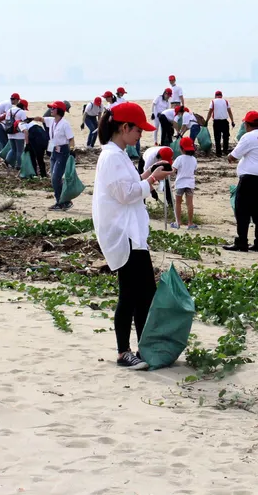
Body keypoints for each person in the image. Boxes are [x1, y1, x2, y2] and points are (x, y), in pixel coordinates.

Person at [92, 101, 168, 370]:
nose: (140, 135)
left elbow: (130, 184)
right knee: (130, 294)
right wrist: (150, 181)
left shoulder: (119, 153)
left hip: (133, 234)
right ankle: (124, 351)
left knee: (146, 293)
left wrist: (150, 174)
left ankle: (143, 347)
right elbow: (125, 194)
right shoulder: (111, 156)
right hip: (122, 233)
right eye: (137, 130)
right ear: (124, 127)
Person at [225, 111, 258, 252]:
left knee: (242, 211)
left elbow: (233, 156)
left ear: (247, 124)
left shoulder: (248, 137)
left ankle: (242, 242)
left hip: (248, 179)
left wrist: (229, 156)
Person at [43, 102, 76, 210]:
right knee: (54, 178)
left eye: (53, 108)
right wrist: (30, 118)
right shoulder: (52, 121)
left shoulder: (64, 124)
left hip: (63, 152)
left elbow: (71, 139)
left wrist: (72, 150)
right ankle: (63, 201)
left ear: (59, 111)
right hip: (54, 152)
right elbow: (41, 119)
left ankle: (62, 202)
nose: (51, 110)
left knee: (56, 178)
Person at [171, 137, 199, 230]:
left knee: (178, 203)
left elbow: (173, 170)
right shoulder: (194, 159)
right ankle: (190, 223)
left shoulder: (179, 158)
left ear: (181, 148)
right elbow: (194, 170)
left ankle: (178, 222)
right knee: (189, 203)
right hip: (190, 183)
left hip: (180, 183)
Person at [206, 90, 235, 157]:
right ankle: (225, 150)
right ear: (221, 96)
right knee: (226, 137)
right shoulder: (226, 101)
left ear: (215, 96)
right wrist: (232, 121)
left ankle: (218, 153)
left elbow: (210, 112)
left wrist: (206, 121)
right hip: (225, 121)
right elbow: (230, 112)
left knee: (217, 138)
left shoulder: (213, 101)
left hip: (216, 122)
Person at [1, 99, 29, 170]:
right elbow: (24, 122)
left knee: (13, 149)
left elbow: (7, 121)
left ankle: (6, 162)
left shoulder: (9, 110)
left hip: (10, 133)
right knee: (20, 151)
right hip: (19, 134)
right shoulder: (21, 112)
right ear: (23, 106)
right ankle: (19, 166)